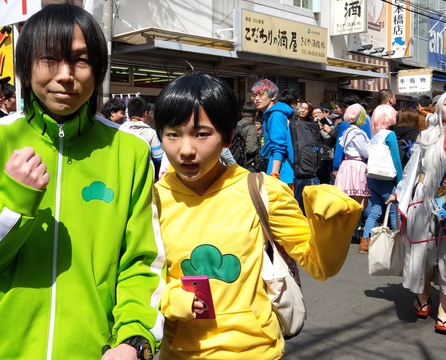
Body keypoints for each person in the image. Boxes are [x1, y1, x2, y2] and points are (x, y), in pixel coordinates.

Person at [0, 3, 165, 359]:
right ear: (26, 67)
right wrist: (16, 201)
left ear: (98, 70)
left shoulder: (129, 150)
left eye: (81, 60)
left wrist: (135, 338)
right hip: (1, 349)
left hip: (97, 350)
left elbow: (144, 261)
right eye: (50, 58)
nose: (66, 74)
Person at [153, 72, 361, 359]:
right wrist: (169, 299)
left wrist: (333, 222)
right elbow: (139, 277)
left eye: (202, 134)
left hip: (255, 350)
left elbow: (319, 265)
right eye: (173, 134)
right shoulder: (151, 200)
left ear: (226, 137)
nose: (186, 150)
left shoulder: (262, 191)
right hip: (179, 352)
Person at [390, 90, 446, 335]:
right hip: (423, 198)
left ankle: (444, 310)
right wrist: (399, 193)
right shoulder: (426, 136)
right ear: (438, 108)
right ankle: (423, 295)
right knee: (422, 252)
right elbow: (412, 169)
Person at [361, 105, 402, 253]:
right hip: (387, 177)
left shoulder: (374, 135)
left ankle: (365, 242)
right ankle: (396, 243)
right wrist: (400, 180)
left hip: (372, 176)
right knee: (393, 210)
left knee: (376, 209)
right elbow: (396, 160)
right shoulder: (389, 135)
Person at [333, 104, 370, 226]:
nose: (365, 117)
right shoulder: (358, 133)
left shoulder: (347, 131)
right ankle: (352, 227)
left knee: (347, 199)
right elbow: (366, 151)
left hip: (346, 165)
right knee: (359, 201)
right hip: (356, 165)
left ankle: (346, 226)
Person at [252, 79, 294, 185]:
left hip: (281, 173)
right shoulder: (270, 115)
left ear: (273, 97)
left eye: (261, 95)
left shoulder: (276, 115)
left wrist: (274, 174)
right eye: (254, 95)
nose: (256, 99)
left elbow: (279, 146)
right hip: (279, 171)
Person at [120, 97, 164, 178]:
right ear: (145, 113)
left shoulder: (119, 130)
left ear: (128, 113)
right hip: (144, 176)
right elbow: (158, 158)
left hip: (122, 173)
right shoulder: (151, 133)